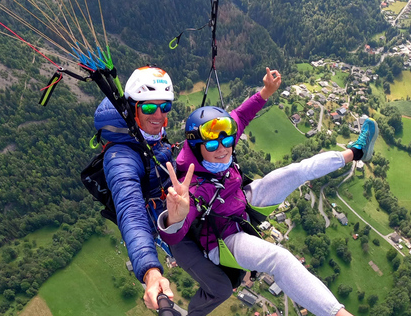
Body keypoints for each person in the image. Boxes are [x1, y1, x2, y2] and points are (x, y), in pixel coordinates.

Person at [158, 70, 378, 316]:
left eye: (227, 141)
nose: (222, 149)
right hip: (224, 238)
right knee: (279, 260)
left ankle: (356, 152)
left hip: (240, 203)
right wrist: (174, 218)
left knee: (297, 171)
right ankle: (337, 314)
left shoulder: (222, 135)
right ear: (198, 149)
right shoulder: (194, 187)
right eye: (211, 145)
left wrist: (266, 92)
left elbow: (241, 115)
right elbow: (175, 238)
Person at [94, 65, 177, 310]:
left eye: (165, 107)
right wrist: (151, 272)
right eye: (150, 107)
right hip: (158, 219)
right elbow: (130, 211)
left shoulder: (146, 134)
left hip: (169, 200)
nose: (159, 115)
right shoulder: (120, 157)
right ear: (132, 108)